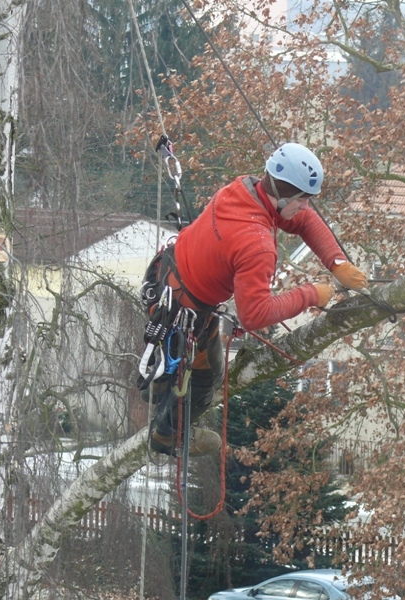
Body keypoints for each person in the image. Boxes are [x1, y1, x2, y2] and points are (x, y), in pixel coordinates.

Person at [147, 142, 368, 456]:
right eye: (303, 201)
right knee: (206, 376)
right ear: (285, 197)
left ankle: (157, 386)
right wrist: (311, 294)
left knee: (194, 364)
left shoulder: (244, 190)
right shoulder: (256, 243)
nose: (305, 209)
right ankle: (169, 435)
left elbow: (303, 221)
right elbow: (255, 314)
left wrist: (337, 263)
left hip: (164, 278)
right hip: (184, 311)